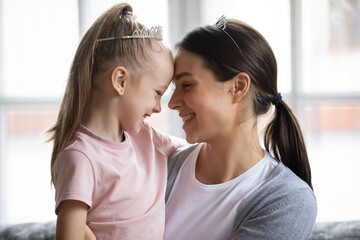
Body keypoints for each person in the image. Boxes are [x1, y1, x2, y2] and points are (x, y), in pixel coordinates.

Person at [164, 16, 317, 240]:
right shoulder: (164, 167)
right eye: (174, 87)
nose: (172, 102)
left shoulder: (287, 200)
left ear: (238, 87)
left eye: (186, 85)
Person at [47, 3, 179, 239]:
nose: (159, 107)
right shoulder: (82, 158)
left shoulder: (146, 138)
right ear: (120, 81)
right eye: (158, 93)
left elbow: (199, 152)